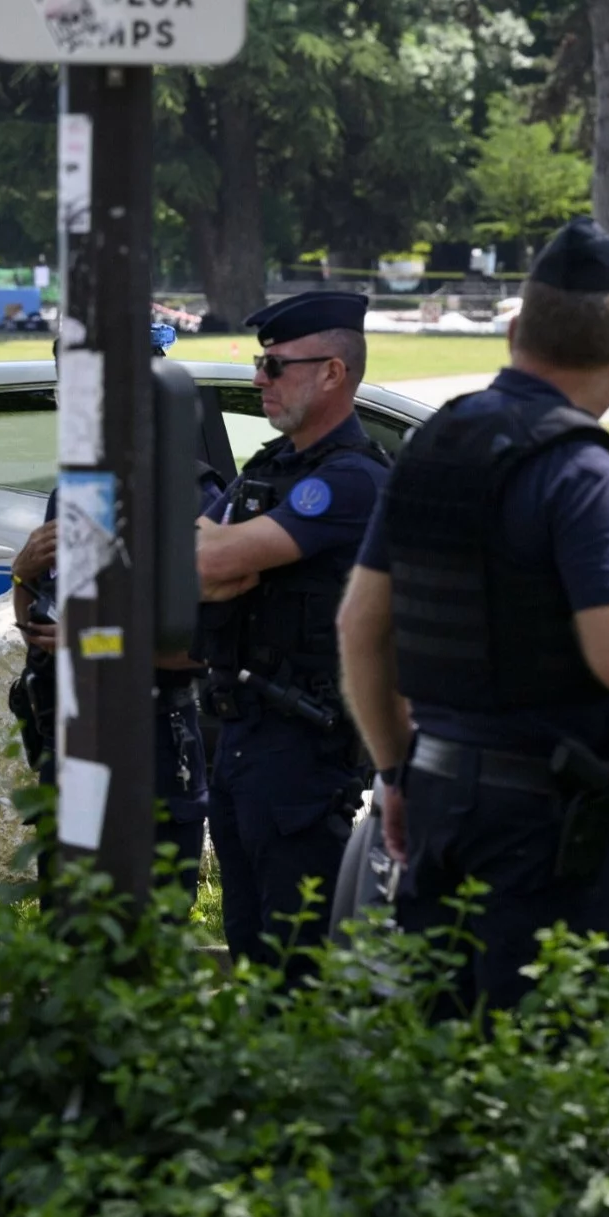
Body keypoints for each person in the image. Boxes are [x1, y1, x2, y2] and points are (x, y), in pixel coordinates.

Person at [340, 219, 609, 1013]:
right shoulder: (581, 472)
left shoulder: (434, 443)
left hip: (438, 796)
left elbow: (359, 625)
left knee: (443, 1053)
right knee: (537, 1058)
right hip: (539, 828)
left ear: (516, 329)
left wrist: (395, 774)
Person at [197, 290, 388, 972]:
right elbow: (193, 561)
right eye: (259, 362)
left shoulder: (351, 480)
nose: (258, 379)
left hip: (305, 752)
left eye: (275, 366)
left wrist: (227, 560)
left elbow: (212, 556)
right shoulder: (270, 467)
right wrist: (226, 561)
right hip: (242, 741)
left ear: (332, 372)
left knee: (300, 968)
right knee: (249, 953)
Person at [9, 326, 207, 891]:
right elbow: (38, 627)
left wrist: (92, 639)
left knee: (152, 915)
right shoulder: (73, 491)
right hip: (74, 733)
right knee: (69, 908)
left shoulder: (190, 497)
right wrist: (21, 572)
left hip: (152, 736)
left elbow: (196, 647)